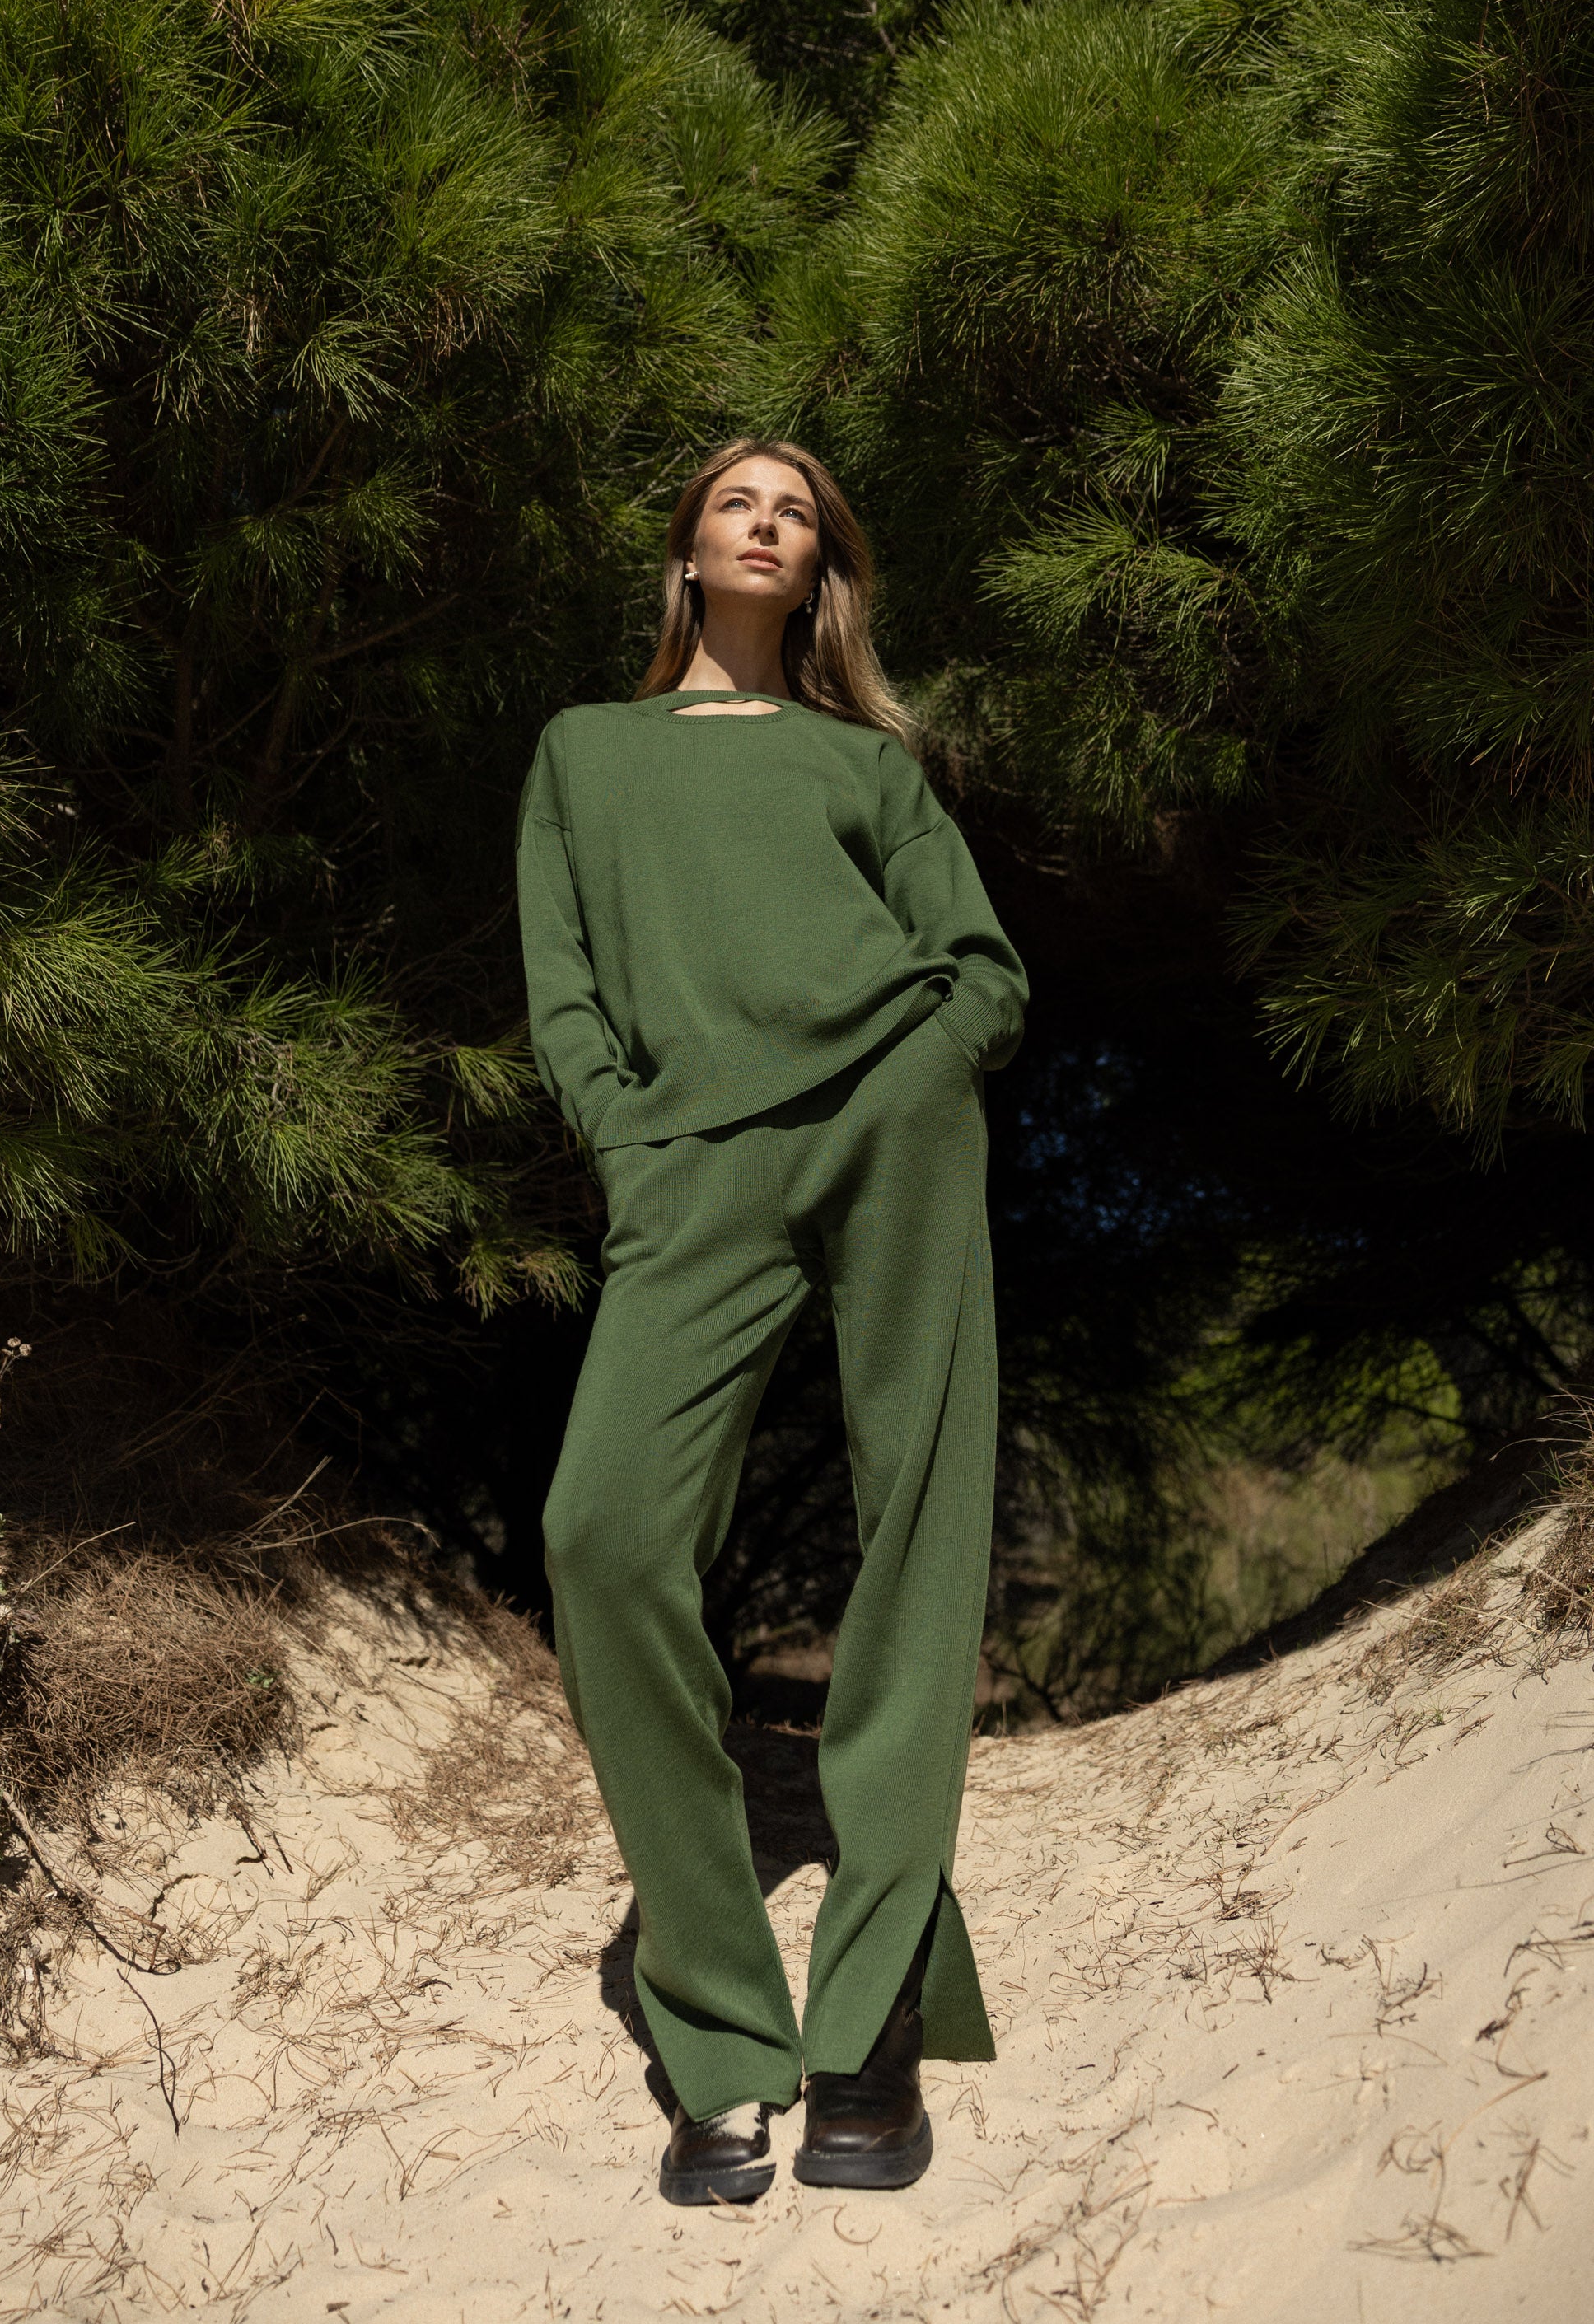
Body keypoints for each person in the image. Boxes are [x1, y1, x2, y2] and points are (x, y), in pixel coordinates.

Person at [517, 437, 1028, 2205]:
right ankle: (723, 2024)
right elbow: (564, 984)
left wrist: (928, 1068)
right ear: (688, 549)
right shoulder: (586, 752)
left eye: (796, 510)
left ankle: (868, 2020)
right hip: (691, 1164)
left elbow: (983, 963)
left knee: (919, 1532)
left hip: (892, 1115)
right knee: (602, 1535)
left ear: (820, 572)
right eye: (739, 499)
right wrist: (627, 1140)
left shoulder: (863, 764)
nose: (766, 521)